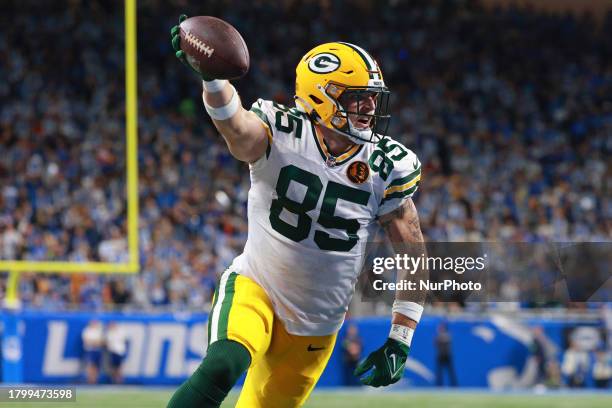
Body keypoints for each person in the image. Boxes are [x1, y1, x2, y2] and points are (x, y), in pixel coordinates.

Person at [168, 15, 428, 408]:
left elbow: (414, 254)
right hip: (257, 286)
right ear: (322, 96)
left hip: (317, 326)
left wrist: (400, 338)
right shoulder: (281, 130)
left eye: (372, 96)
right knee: (223, 364)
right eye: (356, 96)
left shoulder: (387, 165)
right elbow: (237, 129)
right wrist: (213, 79)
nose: (369, 106)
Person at [82, 320, 104, 384]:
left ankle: (95, 380)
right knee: (91, 365)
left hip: (98, 350)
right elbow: (87, 341)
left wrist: (95, 342)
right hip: (90, 350)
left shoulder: (99, 330)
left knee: (97, 366)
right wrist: (95, 342)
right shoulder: (87, 330)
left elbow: (102, 342)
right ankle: (90, 380)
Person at [434, 322, 457, 386]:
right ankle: (439, 385)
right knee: (439, 372)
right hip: (440, 356)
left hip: (447, 356)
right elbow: (435, 343)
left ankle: (454, 385)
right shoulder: (438, 336)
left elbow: (445, 340)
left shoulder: (447, 335)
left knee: (450, 371)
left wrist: (440, 336)